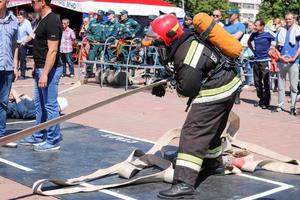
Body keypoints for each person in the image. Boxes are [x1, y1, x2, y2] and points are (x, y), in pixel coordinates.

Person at [149, 14, 241, 199]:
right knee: (212, 130)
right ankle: (212, 164)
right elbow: (182, 70)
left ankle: (184, 183)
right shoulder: (186, 41)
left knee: (193, 132)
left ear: (168, 36)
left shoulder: (186, 53)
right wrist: (164, 80)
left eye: (157, 37)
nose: (154, 42)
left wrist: (173, 84)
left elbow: (188, 89)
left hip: (215, 91)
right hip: (228, 85)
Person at [19, 0, 64, 151]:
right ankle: (38, 135)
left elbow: (52, 51)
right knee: (39, 105)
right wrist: (37, 69)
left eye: (33, 1)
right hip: (40, 69)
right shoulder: (41, 19)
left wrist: (45, 73)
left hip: (49, 70)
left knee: (50, 105)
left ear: (43, 2)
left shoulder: (52, 21)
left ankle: (53, 141)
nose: (31, 4)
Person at [272, 13, 300, 115]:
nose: (288, 21)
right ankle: (280, 105)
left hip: (294, 62)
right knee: (280, 85)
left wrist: (293, 58)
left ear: (294, 19)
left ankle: (292, 106)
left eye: (290, 19)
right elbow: (275, 47)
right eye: (286, 19)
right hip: (281, 61)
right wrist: (280, 57)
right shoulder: (281, 30)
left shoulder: (298, 30)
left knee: (293, 86)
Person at [0, 0, 19, 139]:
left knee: (3, 102)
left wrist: (15, 66)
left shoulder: (13, 20)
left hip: (7, 67)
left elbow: (15, 45)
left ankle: (1, 134)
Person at [248, 19, 275, 109]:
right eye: (254, 25)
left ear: (262, 26)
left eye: (256, 25)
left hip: (265, 61)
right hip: (256, 61)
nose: (254, 27)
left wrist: (272, 49)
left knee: (266, 82)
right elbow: (249, 42)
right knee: (257, 83)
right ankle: (261, 99)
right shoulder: (253, 34)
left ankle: (266, 102)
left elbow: (276, 42)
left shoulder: (268, 34)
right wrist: (253, 51)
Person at [224, 8, 246, 105]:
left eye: (231, 14)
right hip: (224, 52)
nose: (229, 16)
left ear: (236, 15)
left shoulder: (241, 26)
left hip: (235, 53)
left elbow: (236, 37)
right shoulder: (225, 26)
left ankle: (237, 94)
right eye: (228, 14)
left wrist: (224, 36)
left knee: (236, 73)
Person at [85, 10, 106, 78]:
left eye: (100, 15)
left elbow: (107, 33)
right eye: (98, 15)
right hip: (93, 43)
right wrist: (91, 39)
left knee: (100, 59)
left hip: (101, 44)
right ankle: (89, 72)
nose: (98, 16)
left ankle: (98, 73)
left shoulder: (105, 23)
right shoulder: (92, 22)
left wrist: (104, 40)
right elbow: (88, 32)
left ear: (102, 15)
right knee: (91, 58)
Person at [17, 10, 33, 80]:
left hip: (23, 43)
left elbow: (32, 34)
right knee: (15, 60)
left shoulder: (27, 23)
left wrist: (25, 42)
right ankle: (15, 74)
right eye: (18, 17)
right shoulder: (16, 22)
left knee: (22, 59)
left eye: (20, 18)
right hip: (16, 43)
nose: (18, 19)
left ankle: (23, 75)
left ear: (24, 17)